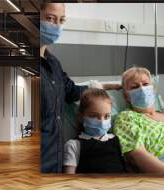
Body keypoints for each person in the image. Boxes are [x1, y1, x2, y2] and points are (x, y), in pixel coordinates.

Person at [39, 3, 119, 173]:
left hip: (54, 162)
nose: (56, 25)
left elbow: (74, 92)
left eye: (61, 20)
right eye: (50, 19)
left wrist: (111, 86)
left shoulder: (54, 64)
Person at [63, 89, 126, 174]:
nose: (102, 121)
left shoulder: (118, 140)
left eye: (107, 116)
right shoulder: (74, 145)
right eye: (94, 116)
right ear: (81, 117)